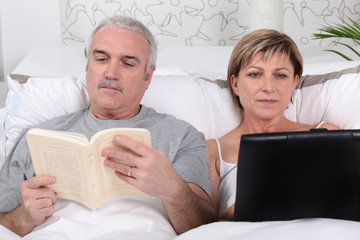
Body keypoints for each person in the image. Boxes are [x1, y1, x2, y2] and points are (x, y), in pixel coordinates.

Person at [0, 15, 215, 237]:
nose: (111, 74)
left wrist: (174, 191)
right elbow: (3, 222)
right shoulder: (35, 137)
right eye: (101, 59)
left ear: (148, 76)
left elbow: (206, 229)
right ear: (87, 67)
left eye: (128, 63)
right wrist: (23, 217)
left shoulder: (181, 136)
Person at [205, 29, 340, 220]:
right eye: (255, 74)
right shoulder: (213, 152)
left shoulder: (327, 135)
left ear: (294, 83)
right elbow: (203, 229)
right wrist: (239, 210)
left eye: (280, 76)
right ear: (235, 84)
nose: (268, 87)